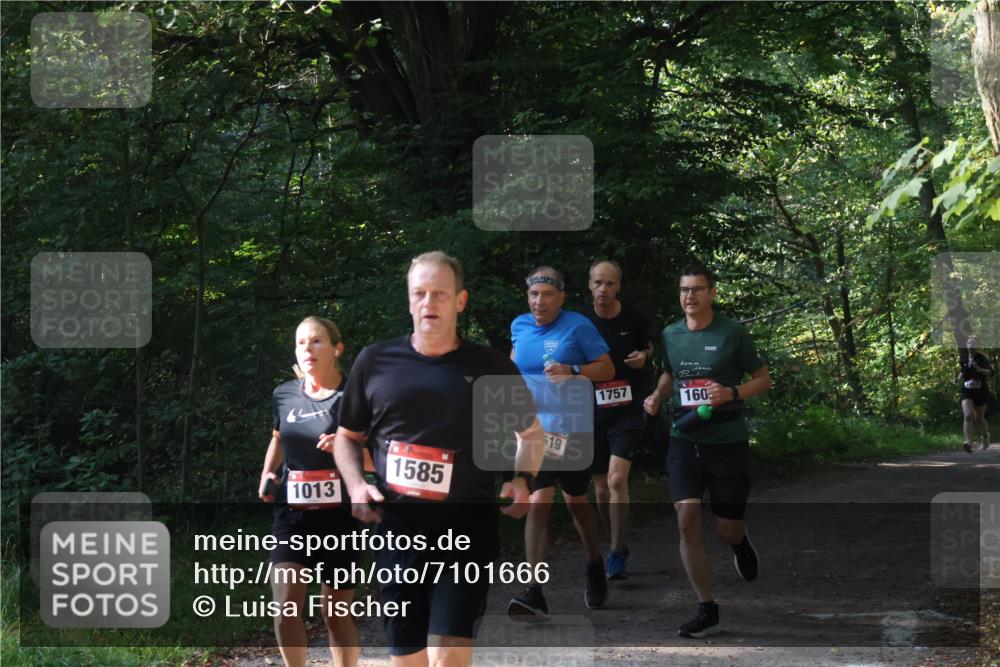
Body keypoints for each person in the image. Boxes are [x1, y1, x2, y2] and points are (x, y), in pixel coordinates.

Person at [333, 251, 544, 667]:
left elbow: (532, 435)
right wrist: (357, 484)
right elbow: (345, 437)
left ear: (460, 301)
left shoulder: (492, 367)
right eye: (420, 294)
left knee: (448, 657)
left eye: (440, 294)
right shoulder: (374, 361)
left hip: (465, 531)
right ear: (409, 301)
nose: (429, 303)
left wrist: (522, 479)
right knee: (408, 660)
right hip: (396, 531)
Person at [643, 263, 772, 639]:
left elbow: (763, 379)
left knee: (725, 529)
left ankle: (739, 539)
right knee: (686, 519)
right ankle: (707, 607)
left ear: (712, 293)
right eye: (684, 290)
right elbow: (670, 374)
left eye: (698, 289)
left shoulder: (733, 333)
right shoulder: (671, 333)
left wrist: (731, 393)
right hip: (684, 437)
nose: (690, 296)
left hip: (727, 440)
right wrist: (656, 395)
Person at [507, 266, 615, 618]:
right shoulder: (519, 326)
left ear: (562, 297)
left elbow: (607, 369)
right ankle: (534, 589)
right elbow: (514, 367)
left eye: (548, 295)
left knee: (576, 503)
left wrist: (574, 371)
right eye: (534, 294)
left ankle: (595, 562)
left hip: (572, 428)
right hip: (534, 430)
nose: (540, 301)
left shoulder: (578, 326)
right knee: (538, 502)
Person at [258, 316, 360, 667]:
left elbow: (380, 452)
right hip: (292, 515)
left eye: (316, 341)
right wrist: (267, 472)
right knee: (285, 609)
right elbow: (277, 439)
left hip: (341, 517)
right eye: (301, 343)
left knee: (334, 614)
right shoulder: (284, 394)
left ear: (337, 349)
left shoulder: (353, 396)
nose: (308, 349)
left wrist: (347, 447)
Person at [584, 260, 652, 580]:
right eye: (598, 283)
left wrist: (645, 357)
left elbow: (648, 347)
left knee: (615, 480)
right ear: (589, 286)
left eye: (609, 284)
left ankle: (614, 551)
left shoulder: (634, 318)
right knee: (600, 490)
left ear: (618, 287)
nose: (603, 290)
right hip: (592, 412)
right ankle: (617, 543)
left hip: (626, 409)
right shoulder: (579, 322)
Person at [958, 335, 992, 452]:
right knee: (968, 415)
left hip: (980, 391)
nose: (971, 345)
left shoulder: (982, 358)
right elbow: (962, 371)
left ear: (978, 346)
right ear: (966, 345)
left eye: (973, 343)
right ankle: (968, 442)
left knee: (979, 418)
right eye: (969, 343)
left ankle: (985, 438)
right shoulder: (964, 358)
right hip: (967, 391)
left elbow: (989, 372)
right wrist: (958, 378)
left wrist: (979, 369)